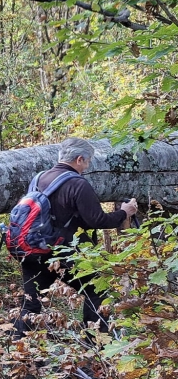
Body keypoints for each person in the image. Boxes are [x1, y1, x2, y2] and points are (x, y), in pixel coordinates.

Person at [12, 137, 137, 340]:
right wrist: (124, 212)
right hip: (65, 252)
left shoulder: (38, 179)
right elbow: (97, 220)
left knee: (32, 302)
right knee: (96, 292)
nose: (87, 167)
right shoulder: (78, 184)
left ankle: (20, 350)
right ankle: (95, 343)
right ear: (80, 159)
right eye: (87, 162)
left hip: (33, 249)